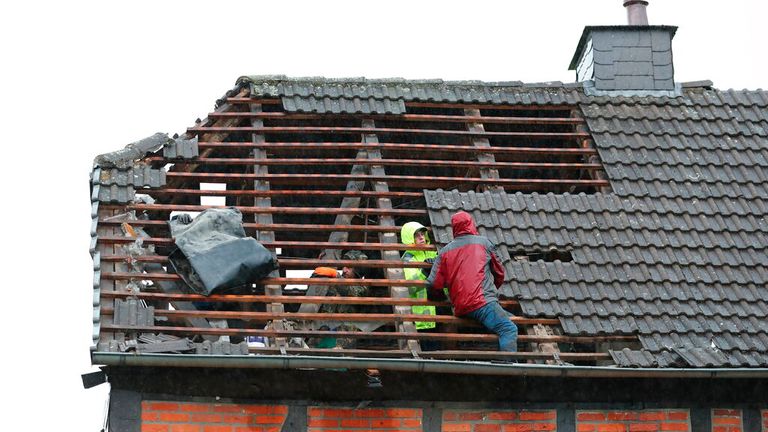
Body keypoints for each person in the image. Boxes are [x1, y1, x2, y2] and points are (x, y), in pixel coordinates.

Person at [425, 211, 518, 353]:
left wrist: (442, 298)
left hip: (461, 307)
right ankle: (509, 371)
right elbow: (499, 273)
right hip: (482, 303)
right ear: (471, 224)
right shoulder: (484, 243)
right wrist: (491, 294)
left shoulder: (444, 252)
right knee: (508, 329)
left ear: (454, 228)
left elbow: (433, 283)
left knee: (510, 319)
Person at [315, 250, 372, 349]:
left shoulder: (363, 288)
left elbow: (350, 292)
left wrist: (335, 275)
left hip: (343, 341)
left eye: (349, 267)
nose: (344, 270)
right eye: (344, 266)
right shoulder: (335, 285)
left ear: (358, 270)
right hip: (323, 335)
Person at [400, 221, 439, 350]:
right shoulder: (407, 258)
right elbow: (410, 287)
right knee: (427, 350)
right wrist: (424, 271)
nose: (421, 237)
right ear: (409, 238)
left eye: (422, 234)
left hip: (439, 309)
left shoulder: (433, 252)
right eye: (417, 235)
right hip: (422, 315)